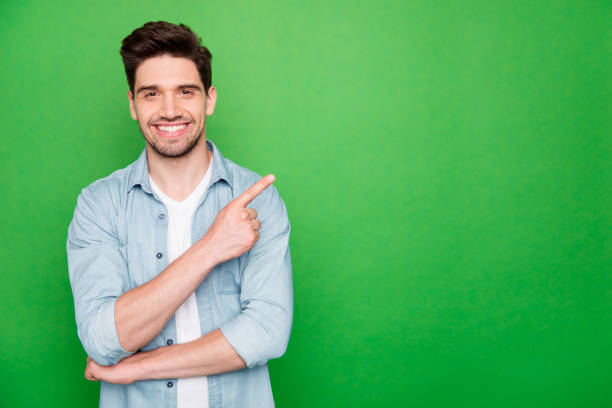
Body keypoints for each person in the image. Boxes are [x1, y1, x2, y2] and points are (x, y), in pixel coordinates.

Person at [66, 21, 293, 408]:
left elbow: (267, 332)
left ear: (210, 99)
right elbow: (103, 340)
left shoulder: (257, 200)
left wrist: (137, 366)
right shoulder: (98, 204)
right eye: (151, 93)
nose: (169, 110)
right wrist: (211, 248)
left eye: (185, 92)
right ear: (133, 105)